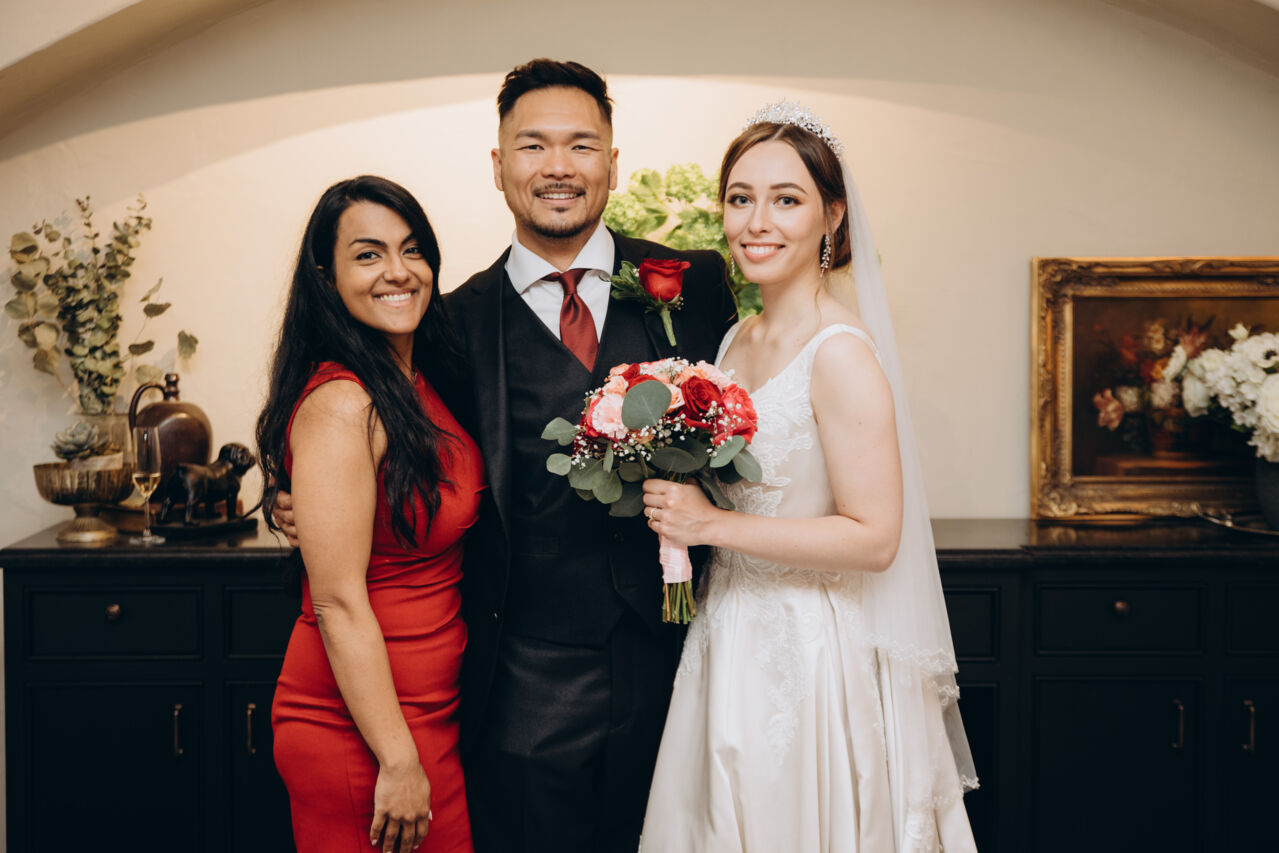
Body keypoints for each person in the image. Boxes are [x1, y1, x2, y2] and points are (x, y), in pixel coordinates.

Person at [273, 61, 738, 852]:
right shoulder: (446, 324)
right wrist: (296, 501)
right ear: (498, 165)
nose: (558, 167)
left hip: (672, 655)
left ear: (612, 162)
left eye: (580, 145)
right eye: (532, 145)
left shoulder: (692, 284)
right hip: (518, 676)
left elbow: (747, 421)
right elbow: (373, 444)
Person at [637, 106, 979, 850]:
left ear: (832, 215)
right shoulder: (737, 337)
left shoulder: (840, 352)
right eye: (740, 198)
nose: (756, 222)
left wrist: (709, 524)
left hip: (806, 649)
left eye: (785, 199)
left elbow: (875, 539)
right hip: (726, 629)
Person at [257, 175, 483, 853]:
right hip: (360, 729)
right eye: (367, 254)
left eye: (411, 249)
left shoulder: (419, 378)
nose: (398, 271)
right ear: (326, 279)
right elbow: (336, 601)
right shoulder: (342, 404)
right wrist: (397, 758)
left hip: (428, 714)